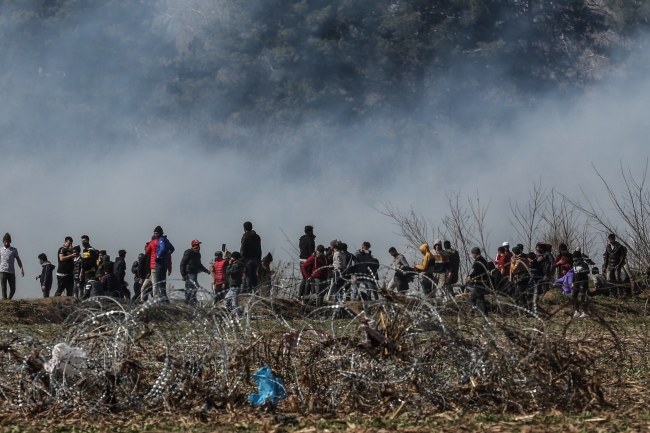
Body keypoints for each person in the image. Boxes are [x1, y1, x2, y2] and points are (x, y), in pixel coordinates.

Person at [145, 226, 174, 302]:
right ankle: (165, 299)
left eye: (156, 233)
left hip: (158, 264)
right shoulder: (166, 240)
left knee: (158, 283)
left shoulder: (160, 240)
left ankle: (161, 299)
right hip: (165, 264)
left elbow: (162, 248)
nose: (155, 235)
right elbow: (172, 249)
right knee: (163, 283)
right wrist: (166, 254)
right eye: (155, 233)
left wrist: (158, 256)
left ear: (160, 233)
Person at [180, 239, 210, 306]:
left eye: (198, 245)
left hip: (194, 273)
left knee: (190, 288)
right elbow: (182, 263)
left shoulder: (198, 255)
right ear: (193, 246)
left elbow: (199, 265)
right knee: (195, 287)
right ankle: (191, 302)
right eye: (196, 245)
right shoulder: (188, 252)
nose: (198, 247)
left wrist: (206, 271)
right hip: (189, 273)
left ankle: (187, 302)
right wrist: (183, 274)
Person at [0, 233, 24, 300]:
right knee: (4, 288)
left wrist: (21, 268)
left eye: (8, 241)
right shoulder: (1, 250)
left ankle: (9, 299)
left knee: (13, 288)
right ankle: (4, 300)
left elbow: (18, 259)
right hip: (2, 271)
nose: (7, 243)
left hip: (11, 271)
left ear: (10, 241)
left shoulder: (14, 250)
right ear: (3, 242)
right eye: (5, 242)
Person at [466, 247, 489, 316]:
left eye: (472, 253)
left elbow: (476, 271)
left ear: (475, 253)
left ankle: (484, 313)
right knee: (473, 298)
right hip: (483, 281)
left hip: (479, 281)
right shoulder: (483, 260)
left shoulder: (478, 261)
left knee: (480, 298)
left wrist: (470, 276)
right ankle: (473, 313)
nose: (472, 255)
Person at [240, 221, 262, 292]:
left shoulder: (245, 237)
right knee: (255, 276)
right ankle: (255, 292)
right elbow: (259, 249)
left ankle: (248, 292)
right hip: (256, 259)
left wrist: (242, 259)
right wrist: (259, 259)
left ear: (244, 228)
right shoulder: (257, 237)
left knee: (248, 275)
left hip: (247, 259)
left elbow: (242, 249)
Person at [225, 251, 246, 320]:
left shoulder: (237, 265)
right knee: (226, 301)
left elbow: (229, 272)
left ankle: (237, 317)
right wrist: (226, 252)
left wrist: (229, 265)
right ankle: (234, 313)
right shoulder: (237, 263)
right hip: (232, 286)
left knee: (234, 304)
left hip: (235, 286)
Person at [571, 250, 592, 318]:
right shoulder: (574, 264)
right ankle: (577, 310)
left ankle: (585, 312)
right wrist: (572, 282)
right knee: (574, 296)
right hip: (576, 282)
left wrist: (581, 271)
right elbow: (574, 274)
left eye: (575, 258)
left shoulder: (583, 263)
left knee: (582, 296)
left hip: (583, 281)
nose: (574, 259)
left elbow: (588, 271)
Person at [298, 226, 316, 301]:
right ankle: (306, 296)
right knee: (308, 278)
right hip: (307, 260)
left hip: (301, 259)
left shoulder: (301, 239)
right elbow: (311, 252)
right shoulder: (310, 240)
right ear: (310, 231)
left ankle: (300, 295)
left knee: (304, 278)